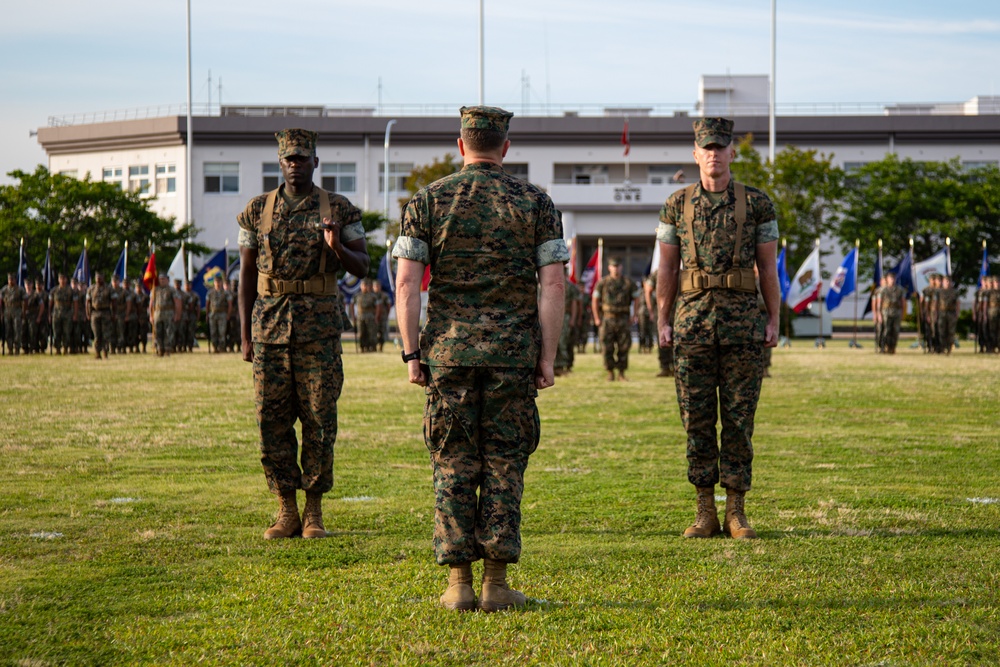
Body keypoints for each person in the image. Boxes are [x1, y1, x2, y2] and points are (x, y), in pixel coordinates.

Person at [392, 106, 568, 612]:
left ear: (461, 143)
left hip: (448, 355)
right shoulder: (536, 202)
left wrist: (411, 354)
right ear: (505, 147)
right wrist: (547, 358)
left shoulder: (427, 201)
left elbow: (407, 283)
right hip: (513, 355)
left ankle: (458, 586)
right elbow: (553, 284)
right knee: (504, 465)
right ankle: (496, 583)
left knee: (453, 463)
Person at [237, 128, 369, 540]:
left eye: (302, 158)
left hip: (319, 333)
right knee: (270, 421)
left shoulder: (340, 209)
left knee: (319, 420)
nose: (295, 164)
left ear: (316, 162)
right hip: (269, 330)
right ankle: (286, 509)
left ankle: (314, 512)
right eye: (289, 158)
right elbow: (244, 277)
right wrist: (244, 336)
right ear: (280, 163)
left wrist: (336, 247)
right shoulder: (256, 210)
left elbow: (363, 266)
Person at [656, 117, 779, 540]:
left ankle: (737, 511)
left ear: (731, 153)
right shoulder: (676, 205)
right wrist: (663, 318)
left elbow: (768, 268)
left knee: (740, 419)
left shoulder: (758, 203)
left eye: (719, 147)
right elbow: (667, 269)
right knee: (697, 420)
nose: (713, 154)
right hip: (692, 325)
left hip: (743, 326)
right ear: (695, 154)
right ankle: (705, 511)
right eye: (705, 147)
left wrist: (774, 317)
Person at [592, 257, 639, 381]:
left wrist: (634, 315)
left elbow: (637, 299)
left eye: (618, 266)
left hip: (623, 319)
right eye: (613, 266)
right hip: (607, 319)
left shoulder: (628, 283)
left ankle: (621, 373)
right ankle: (610, 372)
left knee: (624, 347)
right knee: (607, 347)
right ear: (609, 267)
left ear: (621, 267)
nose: (616, 268)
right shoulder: (602, 282)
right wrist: (596, 317)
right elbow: (595, 300)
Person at [874, 272, 906, 354]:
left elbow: (903, 302)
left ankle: (892, 347)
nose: (892, 280)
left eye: (893, 278)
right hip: (886, 312)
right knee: (886, 330)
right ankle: (883, 347)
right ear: (887, 279)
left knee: (895, 331)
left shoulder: (899, 290)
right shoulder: (883, 290)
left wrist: (903, 313)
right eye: (890, 278)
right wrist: (878, 314)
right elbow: (879, 303)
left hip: (897, 312)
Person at [150, 274, 182, 356]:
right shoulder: (155, 290)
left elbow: (177, 303)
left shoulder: (172, 290)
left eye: (163, 279)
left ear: (167, 280)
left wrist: (177, 314)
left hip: (168, 314)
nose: (162, 281)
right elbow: (151, 304)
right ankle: (159, 349)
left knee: (168, 332)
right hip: (157, 313)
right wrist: (151, 315)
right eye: (160, 279)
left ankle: (167, 349)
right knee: (158, 332)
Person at [86, 272, 113, 359]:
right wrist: (88, 313)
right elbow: (88, 302)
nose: (98, 279)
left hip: (106, 313)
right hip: (95, 313)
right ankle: (97, 352)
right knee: (97, 334)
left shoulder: (109, 288)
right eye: (97, 277)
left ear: (103, 277)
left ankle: (105, 352)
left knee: (105, 334)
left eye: (100, 277)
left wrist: (113, 313)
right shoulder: (91, 289)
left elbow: (113, 302)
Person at [50, 273, 75, 355]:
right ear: (58, 280)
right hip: (56, 313)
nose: (62, 281)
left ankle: (65, 348)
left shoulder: (71, 291)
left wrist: (75, 314)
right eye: (61, 279)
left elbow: (75, 303)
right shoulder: (54, 290)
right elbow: (50, 303)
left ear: (66, 280)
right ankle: (57, 349)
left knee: (66, 332)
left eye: (64, 279)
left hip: (67, 313)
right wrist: (49, 314)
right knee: (56, 332)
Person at [1, 274, 26, 355]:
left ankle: (17, 349)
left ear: (15, 280)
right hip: (7, 311)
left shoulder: (20, 289)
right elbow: (1, 301)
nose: (11, 281)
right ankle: (10, 348)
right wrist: (1, 313)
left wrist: (23, 312)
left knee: (17, 331)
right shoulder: (4, 290)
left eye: (12, 279)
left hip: (17, 311)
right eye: (9, 279)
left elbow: (25, 301)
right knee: (8, 331)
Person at [206, 274, 231, 353]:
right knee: (213, 332)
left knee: (222, 332)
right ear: (214, 283)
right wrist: (207, 314)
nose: (218, 283)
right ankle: (215, 348)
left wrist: (228, 314)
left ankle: (222, 347)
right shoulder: (210, 293)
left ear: (221, 283)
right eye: (216, 282)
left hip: (222, 314)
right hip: (213, 315)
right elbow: (207, 304)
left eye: (219, 282)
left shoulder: (226, 293)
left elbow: (230, 304)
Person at [936, 275, 959, 354]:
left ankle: (949, 348)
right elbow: (936, 303)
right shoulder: (939, 292)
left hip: (951, 313)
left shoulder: (954, 292)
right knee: (942, 331)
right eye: (946, 281)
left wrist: (957, 313)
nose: (947, 283)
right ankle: (942, 348)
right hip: (942, 313)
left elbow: (957, 303)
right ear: (943, 282)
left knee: (950, 332)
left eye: (949, 281)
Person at [354, 278, 379, 353]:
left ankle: (372, 347)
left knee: (371, 333)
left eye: (366, 285)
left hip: (370, 316)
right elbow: (352, 305)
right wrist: (353, 315)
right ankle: (363, 347)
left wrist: (376, 316)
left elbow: (378, 306)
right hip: (360, 317)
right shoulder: (357, 295)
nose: (365, 287)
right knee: (361, 333)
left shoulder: (373, 296)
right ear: (361, 286)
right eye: (363, 285)